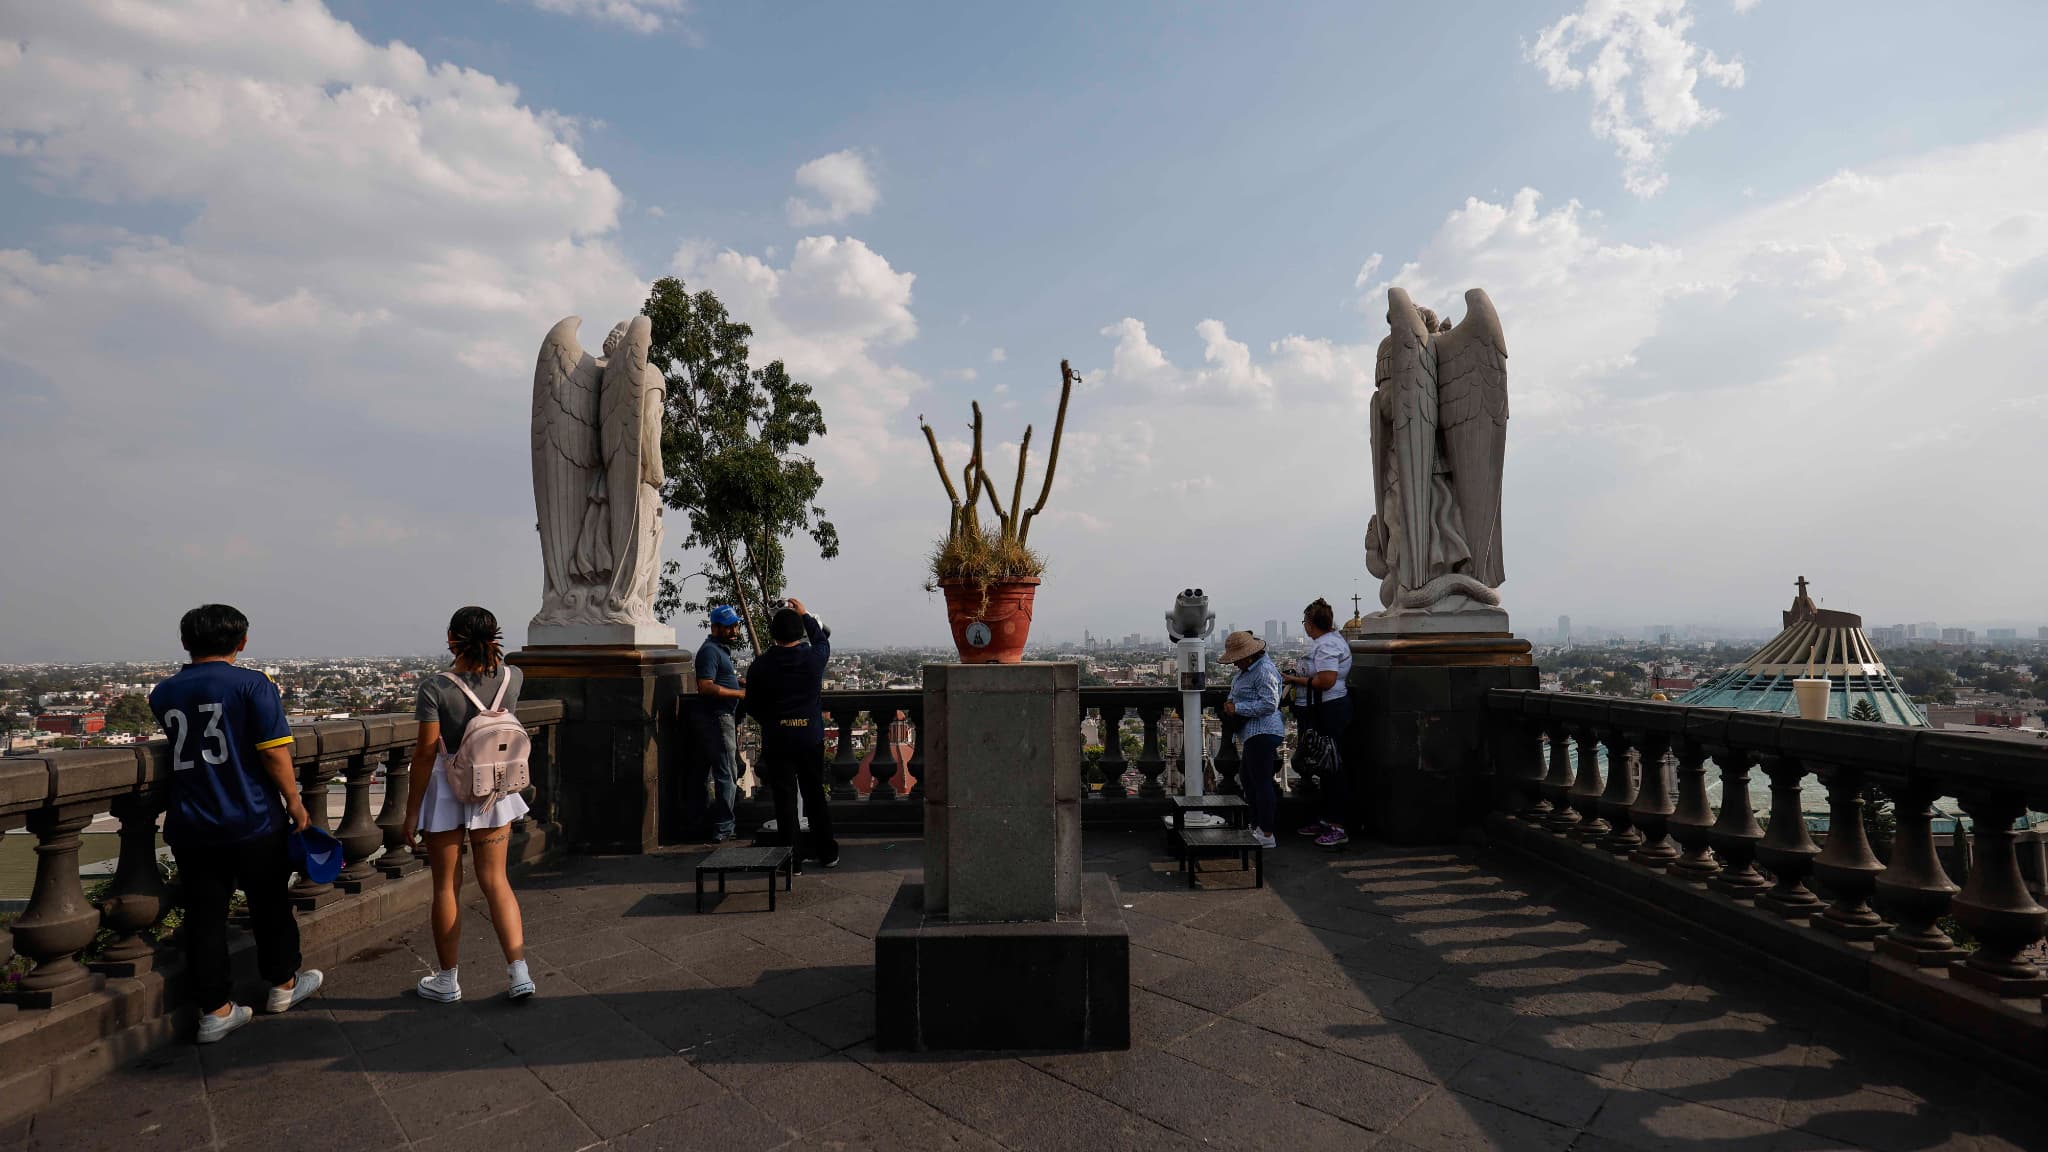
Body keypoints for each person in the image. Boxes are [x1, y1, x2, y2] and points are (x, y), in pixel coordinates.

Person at [149, 604, 322, 1044]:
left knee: (204, 917)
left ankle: (215, 1010)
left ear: (186, 642)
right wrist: (296, 803)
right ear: (242, 642)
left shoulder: (163, 693)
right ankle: (282, 985)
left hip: (192, 822)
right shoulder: (252, 685)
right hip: (252, 816)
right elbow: (272, 753)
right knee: (269, 904)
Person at [401, 606, 533, 1003]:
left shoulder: (436, 687)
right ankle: (519, 974)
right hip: (494, 788)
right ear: (496, 636)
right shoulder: (514, 677)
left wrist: (411, 810)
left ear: (451, 638)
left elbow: (425, 754)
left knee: (446, 886)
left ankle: (447, 980)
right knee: (496, 881)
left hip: (447, 788)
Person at [743, 598, 838, 871]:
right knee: (814, 795)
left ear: (773, 634)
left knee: (784, 801)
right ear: (799, 633)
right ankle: (827, 852)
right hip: (809, 737)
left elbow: (751, 705)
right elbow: (823, 641)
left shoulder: (761, 665)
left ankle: (792, 859)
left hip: (779, 739)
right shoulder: (812, 658)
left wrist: (773, 722)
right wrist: (806, 614)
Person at [1285, 597, 1355, 847]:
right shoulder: (1331, 642)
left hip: (1329, 710)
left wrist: (1295, 681)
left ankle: (1337, 825)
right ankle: (1327, 819)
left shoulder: (1326, 646)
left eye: (1305, 621)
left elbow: (1326, 680)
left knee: (1332, 766)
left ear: (1311, 624)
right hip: (1325, 708)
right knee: (1325, 767)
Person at [1217, 630, 1282, 849]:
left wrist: (1238, 708)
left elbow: (1270, 703)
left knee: (1261, 782)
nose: (1234, 664)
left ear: (1248, 656)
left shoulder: (1264, 670)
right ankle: (1257, 826)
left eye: (1237, 659)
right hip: (1252, 733)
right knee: (1248, 779)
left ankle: (1266, 832)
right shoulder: (1248, 672)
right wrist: (1230, 704)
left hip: (1263, 732)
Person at [689, 605, 747, 842]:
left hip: (723, 717)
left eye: (735, 625)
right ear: (715, 627)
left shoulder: (719, 650)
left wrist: (738, 682)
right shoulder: (710, 651)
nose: (734, 630)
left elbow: (720, 679)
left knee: (731, 769)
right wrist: (739, 694)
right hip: (718, 717)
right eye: (729, 627)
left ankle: (724, 824)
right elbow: (705, 686)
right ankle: (724, 827)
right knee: (726, 772)